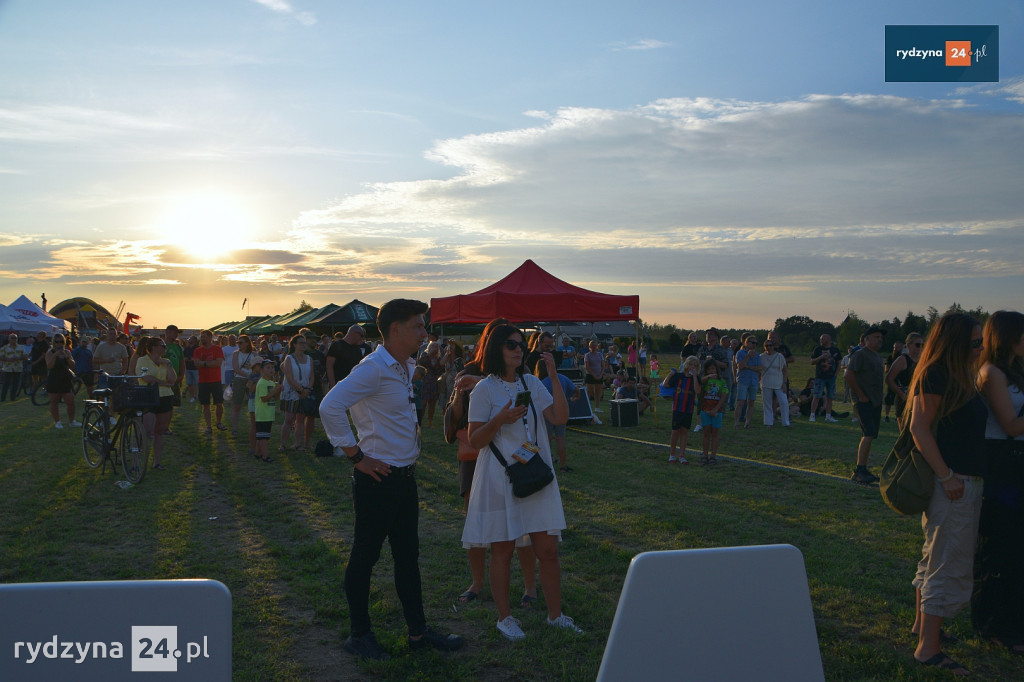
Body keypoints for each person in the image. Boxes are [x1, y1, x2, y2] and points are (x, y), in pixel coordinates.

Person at [320, 299, 463, 660]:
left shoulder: (403, 365)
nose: (424, 332)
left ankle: (418, 632)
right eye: (418, 325)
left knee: (407, 558)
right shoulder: (373, 368)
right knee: (365, 557)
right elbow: (330, 406)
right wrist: (355, 456)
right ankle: (359, 634)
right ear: (395, 329)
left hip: (403, 477)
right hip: (378, 479)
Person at [462, 323, 581, 641]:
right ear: (497, 349)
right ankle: (505, 618)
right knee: (502, 550)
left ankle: (556, 616)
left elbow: (559, 417)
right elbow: (475, 440)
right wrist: (499, 419)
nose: (518, 349)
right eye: (511, 345)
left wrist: (553, 376)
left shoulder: (531, 381)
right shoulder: (484, 389)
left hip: (536, 474)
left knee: (548, 550)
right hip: (501, 478)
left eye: (520, 345)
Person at [907, 312, 986, 675]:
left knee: (934, 556)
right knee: (947, 562)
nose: (980, 348)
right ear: (955, 343)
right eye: (973, 342)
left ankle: (923, 628)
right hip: (953, 484)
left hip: (958, 481)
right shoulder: (937, 373)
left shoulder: (958, 374)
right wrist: (948, 475)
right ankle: (928, 649)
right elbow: (919, 428)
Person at [446, 318, 509, 605]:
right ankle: (477, 581)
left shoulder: (518, 372)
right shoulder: (470, 371)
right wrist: (460, 395)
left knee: (521, 518)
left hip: (514, 454)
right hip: (475, 454)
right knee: (476, 519)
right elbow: (453, 419)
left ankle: (530, 586)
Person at [972, 310, 1024, 654]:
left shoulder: (1014, 371)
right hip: (1002, 464)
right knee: (1002, 545)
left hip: (1016, 463)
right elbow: (1011, 425)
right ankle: (994, 625)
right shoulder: (991, 373)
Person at [846, 326, 886, 484]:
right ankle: (860, 470)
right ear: (866, 339)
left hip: (875, 401)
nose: (880, 340)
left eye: (881, 337)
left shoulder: (877, 356)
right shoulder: (860, 354)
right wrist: (861, 395)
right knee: (868, 433)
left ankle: (863, 468)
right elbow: (848, 375)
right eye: (876, 337)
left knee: (871, 434)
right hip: (864, 401)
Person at [136, 336, 176, 470]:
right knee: (146, 430)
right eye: (162, 345)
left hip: (165, 396)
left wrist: (169, 365)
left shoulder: (166, 361)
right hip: (147, 396)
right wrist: (162, 382)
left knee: (160, 431)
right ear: (153, 347)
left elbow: (173, 380)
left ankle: (157, 462)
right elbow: (146, 378)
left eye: (165, 346)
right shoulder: (143, 360)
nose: (164, 348)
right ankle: (137, 462)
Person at [535, 359, 578, 472]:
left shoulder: (541, 382)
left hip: (547, 413)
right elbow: (576, 390)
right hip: (561, 412)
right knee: (560, 439)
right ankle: (563, 465)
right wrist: (574, 398)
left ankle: (547, 465)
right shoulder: (562, 378)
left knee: (546, 440)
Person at [280, 334, 315, 452]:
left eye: (304, 343)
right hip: (291, 392)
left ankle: (298, 444)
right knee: (289, 419)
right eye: (301, 343)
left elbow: (312, 376)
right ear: (294, 344)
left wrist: (308, 389)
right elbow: (289, 377)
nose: (303, 345)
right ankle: (283, 444)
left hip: (305, 391)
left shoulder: (309, 359)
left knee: (300, 419)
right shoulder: (289, 358)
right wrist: (300, 390)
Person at [663, 355, 701, 464]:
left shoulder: (696, 378)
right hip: (677, 408)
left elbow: (697, 391)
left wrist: (694, 376)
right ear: (686, 365)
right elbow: (665, 384)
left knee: (684, 431)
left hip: (688, 409)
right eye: (690, 364)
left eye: (695, 365)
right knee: (675, 431)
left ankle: (682, 455)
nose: (692, 367)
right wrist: (670, 374)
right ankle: (672, 454)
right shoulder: (679, 376)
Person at [193, 329, 226, 434]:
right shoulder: (198, 350)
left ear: (210, 338)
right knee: (205, 404)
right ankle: (208, 426)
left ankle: (219, 422)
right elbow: (196, 363)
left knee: (219, 403)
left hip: (215, 380)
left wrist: (204, 363)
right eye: (201, 337)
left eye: (204, 336)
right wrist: (209, 363)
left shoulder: (217, 349)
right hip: (203, 381)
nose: (202, 339)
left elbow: (218, 363)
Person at [885, 333, 924, 421]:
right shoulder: (902, 360)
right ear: (909, 345)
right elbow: (889, 379)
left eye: (922, 345)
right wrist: (902, 394)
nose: (920, 347)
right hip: (904, 399)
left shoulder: (923, 360)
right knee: (905, 432)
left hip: (919, 399)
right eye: (918, 345)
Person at [44, 333, 78, 428]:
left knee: (70, 401)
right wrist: (55, 355)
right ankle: (57, 422)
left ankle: (72, 421)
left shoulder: (67, 352)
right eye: (57, 342)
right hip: (54, 379)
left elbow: (72, 365)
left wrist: (66, 357)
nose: (59, 344)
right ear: (53, 342)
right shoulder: (50, 353)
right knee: (54, 402)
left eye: (61, 342)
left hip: (65, 379)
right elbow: (49, 366)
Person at [699, 358, 728, 464]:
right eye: (709, 369)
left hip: (717, 411)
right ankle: (705, 455)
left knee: (715, 434)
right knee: (706, 433)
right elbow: (699, 382)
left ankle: (713, 456)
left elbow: (724, 396)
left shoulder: (721, 381)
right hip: (705, 410)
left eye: (713, 369)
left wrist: (716, 409)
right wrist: (708, 377)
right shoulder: (705, 380)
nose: (712, 371)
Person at [253, 360, 283, 463]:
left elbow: (274, 399)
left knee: (262, 435)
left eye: (272, 367)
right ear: (262, 370)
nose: (271, 370)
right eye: (268, 367)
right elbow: (264, 398)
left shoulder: (271, 383)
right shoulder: (262, 383)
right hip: (262, 414)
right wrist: (275, 390)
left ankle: (257, 453)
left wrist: (279, 391)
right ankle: (265, 456)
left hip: (268, 414)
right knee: (263, 438)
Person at [810, 334, 842, 423]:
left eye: (823, 339)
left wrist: (836, 374)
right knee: (816, 396)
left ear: (829, 339)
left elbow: (839, 362)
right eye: (821, 339)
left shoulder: (835, 350)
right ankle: (812, 415)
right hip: (820, 377)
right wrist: (821, 357)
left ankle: (828, 416)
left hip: (831, 377)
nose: (821, 341)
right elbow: (812, 361)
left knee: (830, 397)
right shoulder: (818, 349)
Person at [230, 335, 258, 433]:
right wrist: (248, 374)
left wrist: (252, 376)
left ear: (247, 343)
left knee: (254, 405)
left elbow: (258, 367)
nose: (239, 345)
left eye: (241, 342)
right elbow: (236, 368)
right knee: (237, 405)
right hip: (240, 380)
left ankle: (254, 428)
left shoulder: (254, 354)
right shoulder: (236, 354)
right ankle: (234, 429)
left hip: (252, 381)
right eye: (238, 343)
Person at [760, 338, 790, 427]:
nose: (769, 347)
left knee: (784, 402)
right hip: (766, 382)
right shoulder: (761, 357)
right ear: (764, 347)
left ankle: (786, 423)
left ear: (773, 346)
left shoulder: (779, 356)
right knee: (767, 403)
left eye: (770, 345)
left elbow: (784, 370)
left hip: (778, 382)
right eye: (766, 346)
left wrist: (784, 382)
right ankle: (769, 422)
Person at [733, 336, 761, 429]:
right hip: (743, 380)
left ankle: (747, 423)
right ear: (746, 343)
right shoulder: (740, 353)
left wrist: (748, 367)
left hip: (754, 380)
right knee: (740, 401)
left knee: (751, 402)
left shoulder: (757, 355)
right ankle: (736, 423)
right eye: (752, 343)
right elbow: (740, 366)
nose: (754, 345)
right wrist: (748, 356)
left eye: (756, 343)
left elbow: (759, 368)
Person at [417, 341, 444, 427]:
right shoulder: (424, 355)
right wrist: (430, 355)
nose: (435, 348)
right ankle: (420, 421)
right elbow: (421, 363)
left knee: (432, 403)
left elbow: (440, 370)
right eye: (433, 346)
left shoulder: (439, 358)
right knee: (424, 403)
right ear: (429, 347)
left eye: (436, 347)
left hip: (434, 382)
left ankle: (430, 421)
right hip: (425, 381)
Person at [884, 340, 906, 422]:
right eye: (894, 347)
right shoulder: (890, 358)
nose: (895, 349)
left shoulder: (904, 358)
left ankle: (899, 416)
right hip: (892, 382)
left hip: (900, 383)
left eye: (897, 347)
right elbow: (886, 369)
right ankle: (886, 415)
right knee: (889, 399)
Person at [1, 333, 27, 401]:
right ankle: (3, 398)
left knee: (15, 384)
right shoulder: (4, 348)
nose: (14, 339)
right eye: (12, 338)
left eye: (15, 338)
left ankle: (13, 398)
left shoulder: (21, 347)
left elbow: (25, 357)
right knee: (6, 384)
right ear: (8, 339)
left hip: (18, 368)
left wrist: (19, 358)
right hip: (8, 368)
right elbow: (1, 357)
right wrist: (8, 359)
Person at [583, 340, 606, 410]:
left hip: (599, 374)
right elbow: (587, 366)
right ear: (590, 347)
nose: (594, 347)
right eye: (592, 345)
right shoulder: (587, 355)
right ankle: (586, 407)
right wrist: (594, 375)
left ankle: (597, 407)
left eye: (595, 345)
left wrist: (601, 374)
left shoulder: (600, 354)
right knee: (589, 392)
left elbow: (603, 365)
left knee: (597, 392)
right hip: (590, 375)